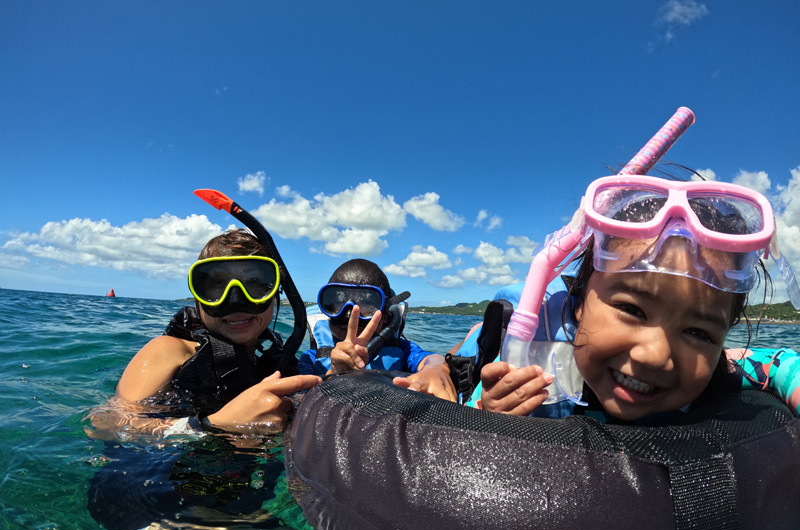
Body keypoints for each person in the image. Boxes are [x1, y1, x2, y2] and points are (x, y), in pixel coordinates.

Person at [469, 174, 800, 423]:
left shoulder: (721, 368)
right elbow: (467, 414)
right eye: (631, 309)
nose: (655, 356)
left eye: (698, 332)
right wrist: (491, 412)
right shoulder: (527, 358)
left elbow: (782, 364)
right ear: (580, 301)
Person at [88, 228, 321, 439]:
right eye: (216, 286)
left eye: (255, 284)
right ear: (197, 294)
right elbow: (106, 424)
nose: (236, 300)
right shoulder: (169, 350)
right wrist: (210, 425)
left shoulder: (273, 363)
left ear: (276, 293)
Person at [298, 258, 457, 402]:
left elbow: (432, 358)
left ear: (386, 316)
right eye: (338, 304)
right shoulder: (311, 358)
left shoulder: (402, 349)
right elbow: (302, 398)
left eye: (366, 305)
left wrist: (436, 369)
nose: (349, 315)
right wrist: (334, 373)